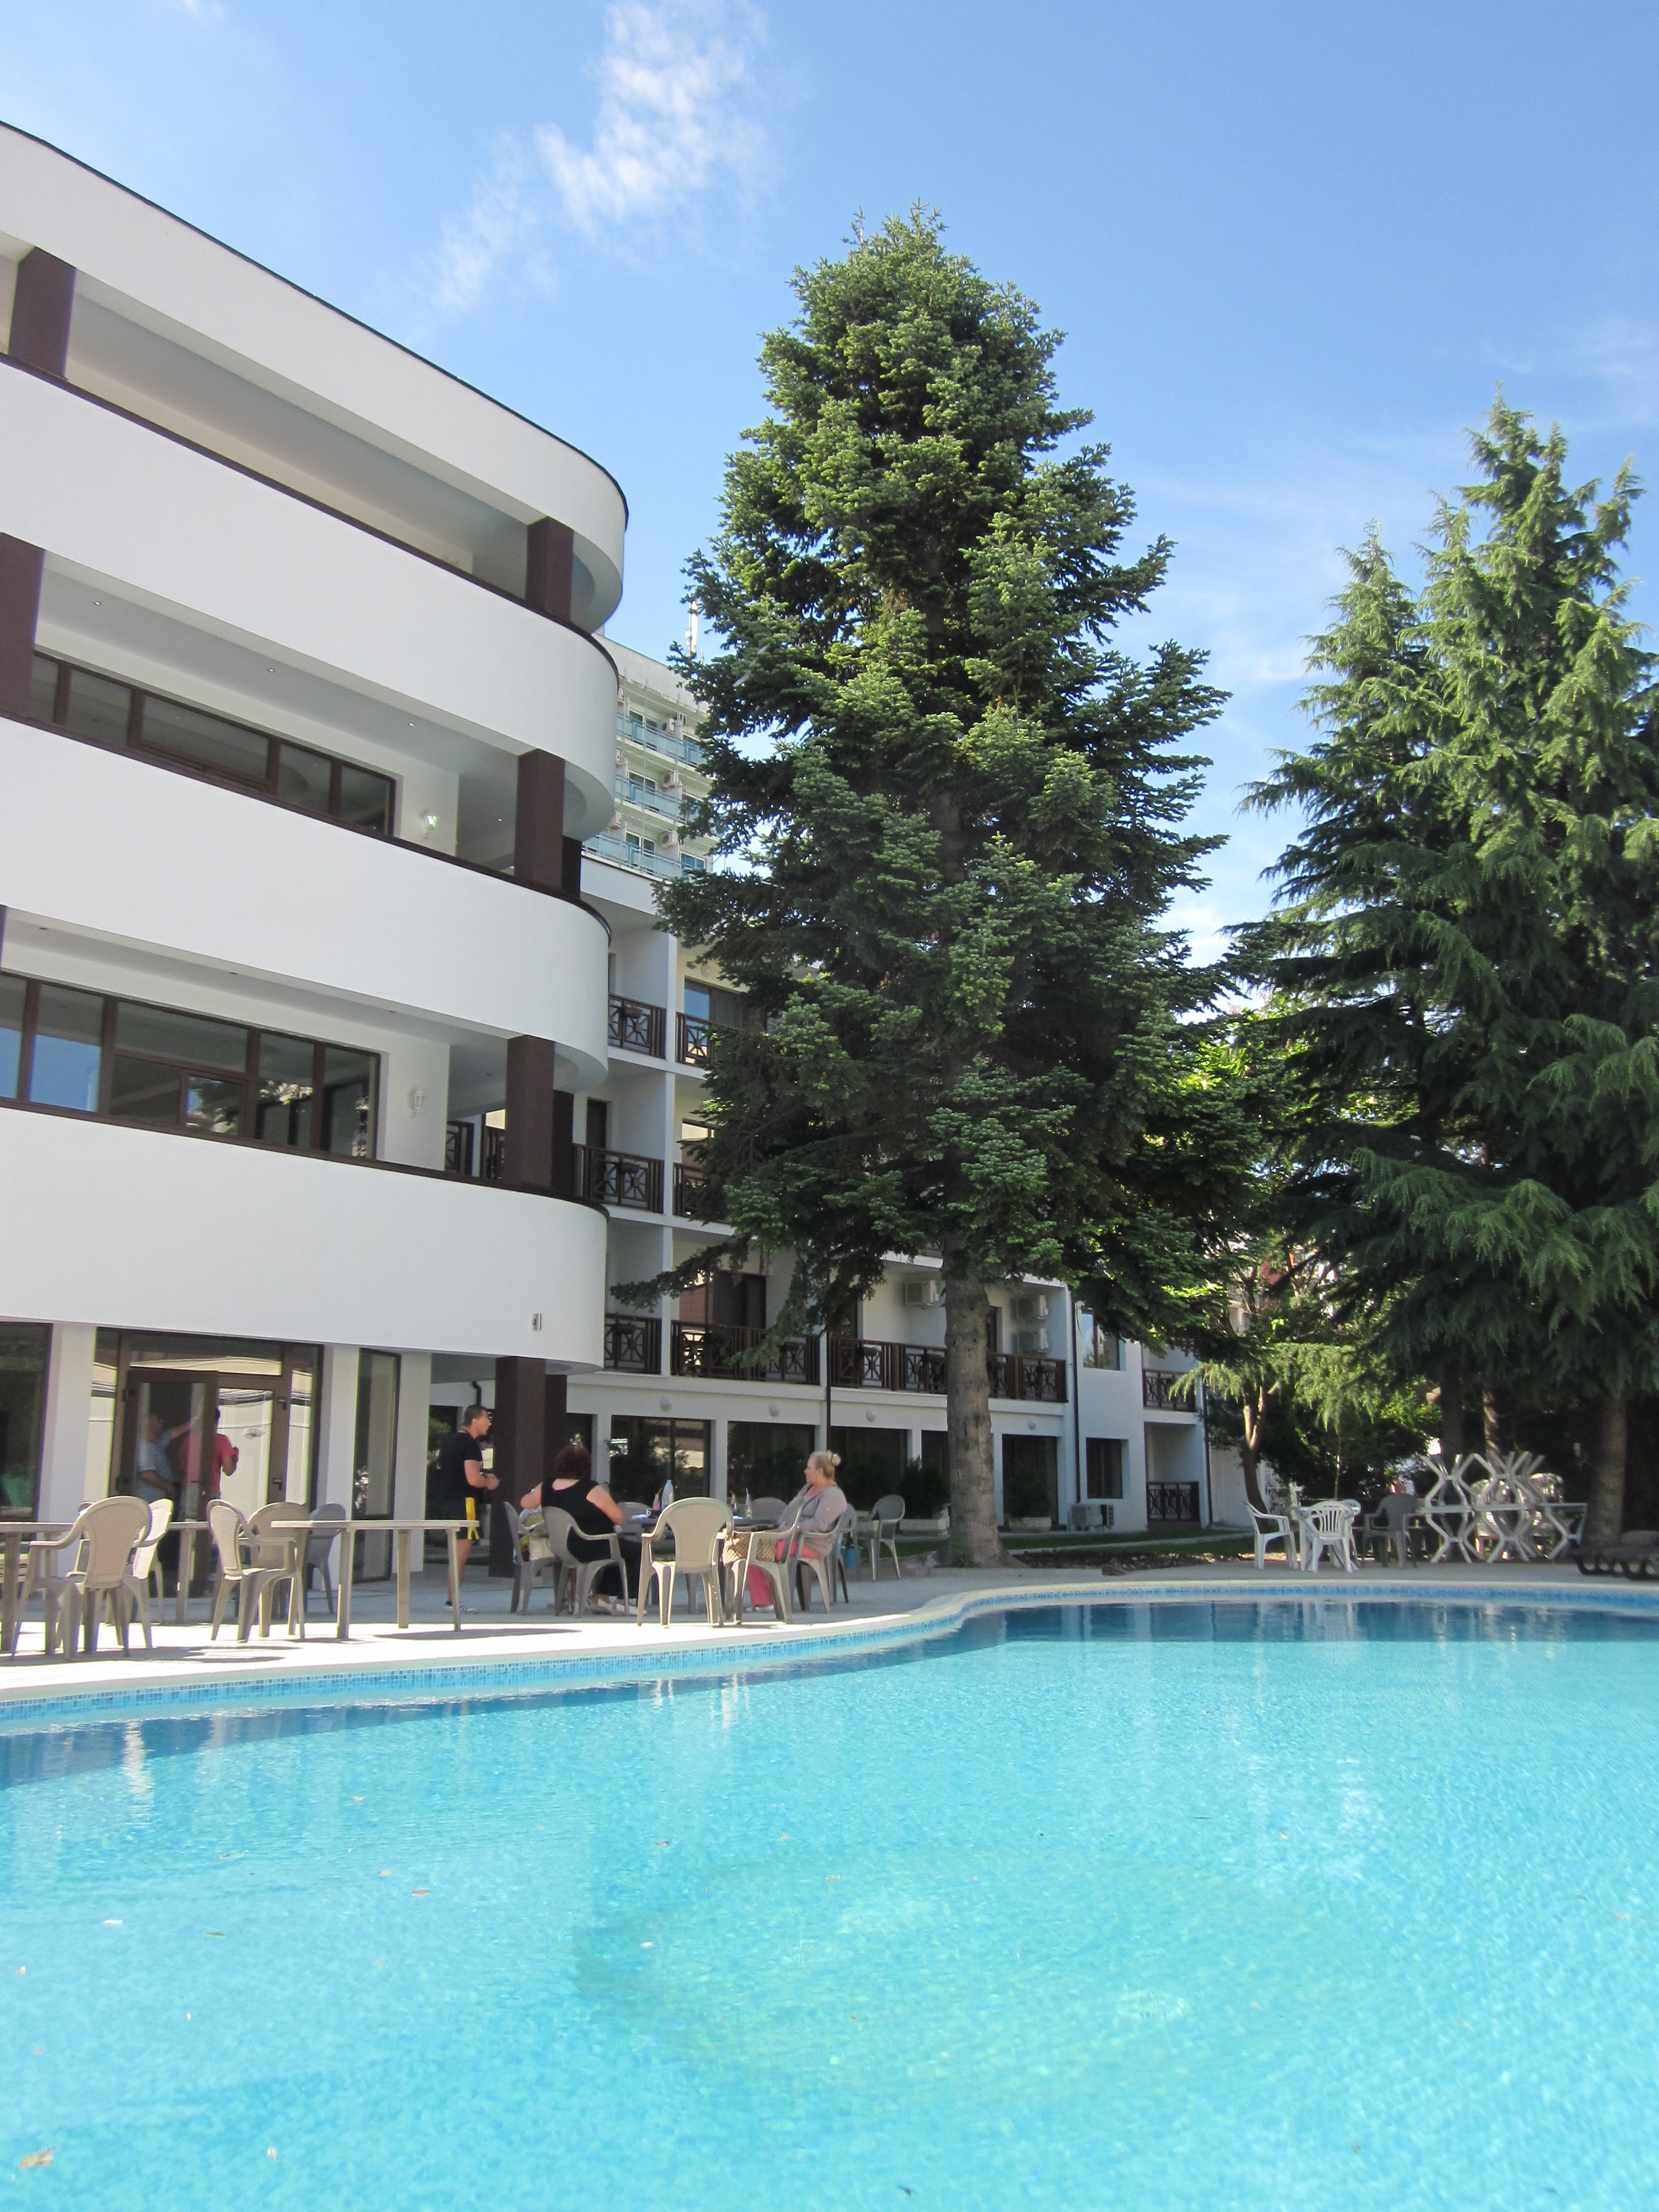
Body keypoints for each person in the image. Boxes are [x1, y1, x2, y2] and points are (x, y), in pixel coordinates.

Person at [523, 1442, 639, 1610]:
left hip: (561, 1547)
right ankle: (624, 1601)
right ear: (585, 1467)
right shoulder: (591, 1490)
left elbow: (525, 1503)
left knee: (618, 1547)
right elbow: (619, 1518)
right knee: (636, 1551)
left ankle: (602, 1598)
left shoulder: (546, 1487)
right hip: (589, 1546)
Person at [759, 1448, 848, 1612]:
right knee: (754, 1545)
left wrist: (795, 1528)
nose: (805, 1471)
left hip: (812, 1543)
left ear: (820, 1472)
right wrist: (782, 1526)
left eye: (809, 1468)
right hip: (792, 1537)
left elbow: (819, 1524)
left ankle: (777, 1600)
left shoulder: (834, 1495)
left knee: (765, 1549)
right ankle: (764, 1602)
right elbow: (789, 1510)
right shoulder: (807, 1488)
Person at [436, 1407, 498, 1593]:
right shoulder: (470, 1445)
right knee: (460, 1556)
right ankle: (452, 1601)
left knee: (454, 1554)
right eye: (486, 1418)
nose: (489, 1423)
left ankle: (452, 1600)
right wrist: (489, 1482)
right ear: (474, 1421)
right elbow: (473, 1479)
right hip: (466, 1504)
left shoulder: (449, 1442)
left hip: (447, 1502)